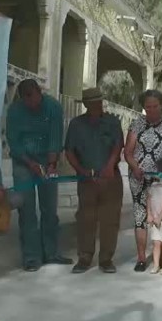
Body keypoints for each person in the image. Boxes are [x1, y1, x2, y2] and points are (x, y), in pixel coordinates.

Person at [6, 79, 71, 272]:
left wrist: (51, 165)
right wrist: (29, 163)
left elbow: (55, 137)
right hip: (23, 161)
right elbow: (13, 141)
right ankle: (31, 258)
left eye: (33, 98)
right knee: (26, 210)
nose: (31, 103)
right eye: (26, 100)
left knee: (49, 208)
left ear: (39, 93)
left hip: (47, 159)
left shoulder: (53, 107)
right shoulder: (14, 111)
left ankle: (51, 253)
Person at [64, 87, 124, 274]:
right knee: (86, 219)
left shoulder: (112, 122)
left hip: (110, 178)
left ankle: (106, 259)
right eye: (92, 103)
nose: (97, 105)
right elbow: (69, 151)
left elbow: (118, 145)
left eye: (99, 101)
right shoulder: (76, 124)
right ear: (85, 104)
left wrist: (109, 166)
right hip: (87, 180)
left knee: (110, 219)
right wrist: (81, 171)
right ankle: (84, 257)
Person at [124, 90, 162, 272]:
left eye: (155, 106)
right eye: (147, 107)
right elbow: (128, 152)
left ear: (161, 106)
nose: (151, 110)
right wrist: (135, 167)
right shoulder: (136, 124)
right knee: (141, 216)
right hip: (139, 177)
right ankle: (141, 258)